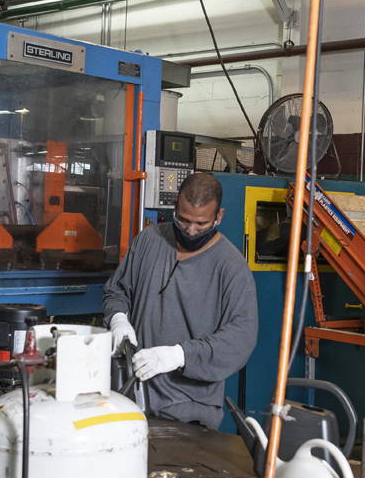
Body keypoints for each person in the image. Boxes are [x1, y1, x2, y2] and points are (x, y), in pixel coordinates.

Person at [103, 171, 258, 429]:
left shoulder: (231, 267)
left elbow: (240, 338)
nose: (191, 231)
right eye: (184, 221)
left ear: (219, 217)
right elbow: (117, 291)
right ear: (174, 207)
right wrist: (119, 319)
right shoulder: (148, 240)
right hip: (132, 398)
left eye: (201, 224)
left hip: (189, 409)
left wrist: (180, 355)